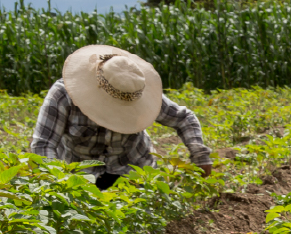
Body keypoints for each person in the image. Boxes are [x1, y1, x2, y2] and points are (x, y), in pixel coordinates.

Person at [31, 45, 212, 191]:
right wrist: (57, 185)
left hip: (135, 172)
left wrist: (200, 156)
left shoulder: (135, 90)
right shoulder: (64, 95)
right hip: (82, 178)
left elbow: (184, 118)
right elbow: (43, 145)